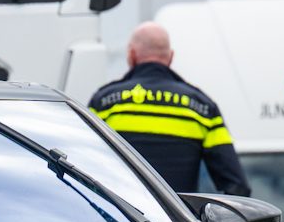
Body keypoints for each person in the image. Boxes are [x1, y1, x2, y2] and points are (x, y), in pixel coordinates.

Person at [89, 22, 249, 196]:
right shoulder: (202, 109)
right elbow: (238, 186)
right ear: (171, 57)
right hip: (177, 214)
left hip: (121, 212)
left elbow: (84, 164)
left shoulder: (104, 103)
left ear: (132, 54)